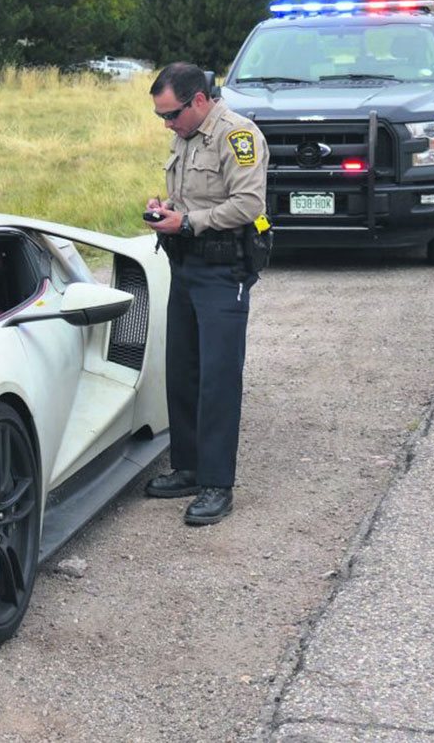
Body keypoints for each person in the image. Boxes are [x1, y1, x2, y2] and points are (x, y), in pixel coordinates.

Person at [142, 62, 269, 526]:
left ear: (198, 100)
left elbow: (248, 204)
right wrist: (167, 210)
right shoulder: (186, 134)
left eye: (171, 114)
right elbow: (193, 197)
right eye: (161, 116)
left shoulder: (238, 135)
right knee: (183, 370)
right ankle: (190, 468)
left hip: (222, 268)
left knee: (218, 378)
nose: (167, 124)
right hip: (186, 265)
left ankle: (217, 484)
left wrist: (188, 222)